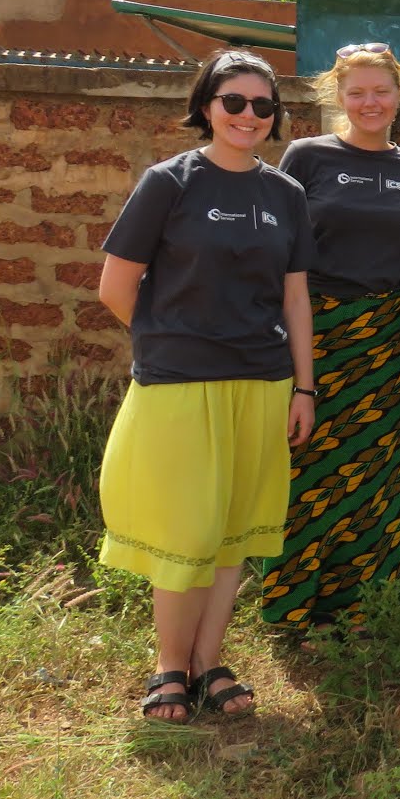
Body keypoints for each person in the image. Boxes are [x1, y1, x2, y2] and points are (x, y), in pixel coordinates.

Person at [97, 49, 316, 720]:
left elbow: (296, 299)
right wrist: (171, 341)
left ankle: (208, 660)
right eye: (234, 102)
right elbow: (115, 287)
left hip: (263, 384)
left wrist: (304, 389)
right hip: (180, 385)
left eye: (263, 105)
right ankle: (168, 665)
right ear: (206, 107)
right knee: (187, 532)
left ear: (275, 117)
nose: (248, 115)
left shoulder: (286, 194)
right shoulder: (171, 182)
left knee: (234, 533)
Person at [261, 42, 400, 647]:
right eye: (357, 92)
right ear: (337, 97)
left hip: (385, 340)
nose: (370, 102)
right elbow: (276, 253)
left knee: (378, 473)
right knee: (306, 469)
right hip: (315, 334)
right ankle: (294, 609)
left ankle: (359, 606)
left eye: (382, 91)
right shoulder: (307, 157)